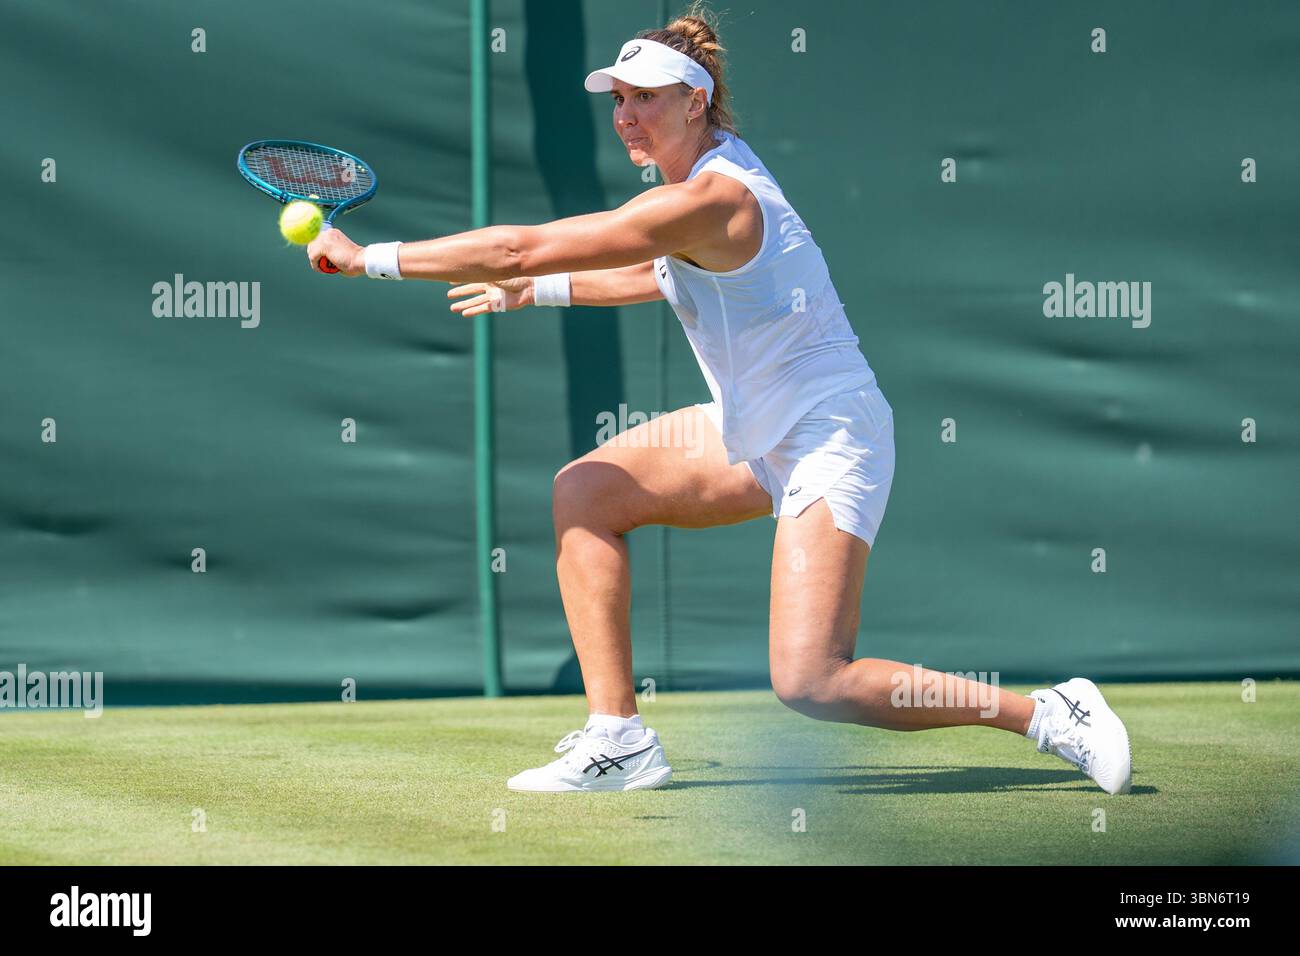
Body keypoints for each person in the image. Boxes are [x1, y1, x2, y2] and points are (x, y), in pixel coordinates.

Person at [306, 9, 1132, 796]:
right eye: (619, 102)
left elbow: (517, 243)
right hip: (756, 430)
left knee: (812, 680)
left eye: (646, 101)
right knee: (585, 491)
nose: (626, 116)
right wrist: (537, 292)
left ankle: (1050, 715)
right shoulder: (699, 182)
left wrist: (368, 257)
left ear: (695, 102)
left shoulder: (716, 196)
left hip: (829, 431)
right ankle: (618, 740)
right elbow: (654, 271)